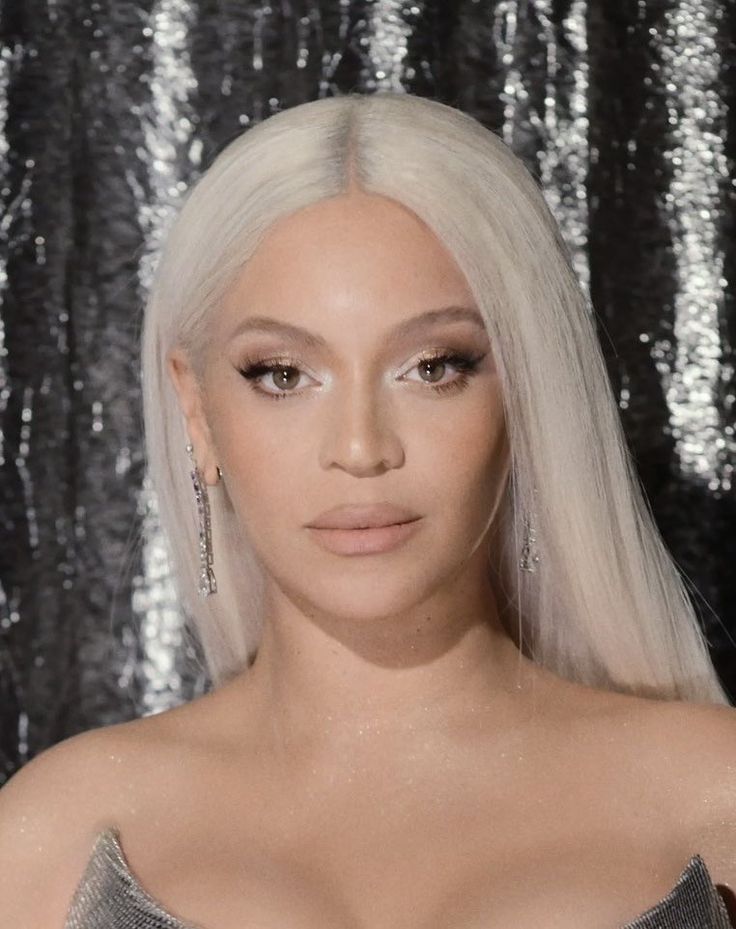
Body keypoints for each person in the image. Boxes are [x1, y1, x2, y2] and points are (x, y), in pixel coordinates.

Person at [1, 90, 734, 929]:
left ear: (529, 390)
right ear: (196, 411)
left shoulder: (716, 796)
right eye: (282, 373)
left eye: (434, 365)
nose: (360, 447)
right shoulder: (54, 835)